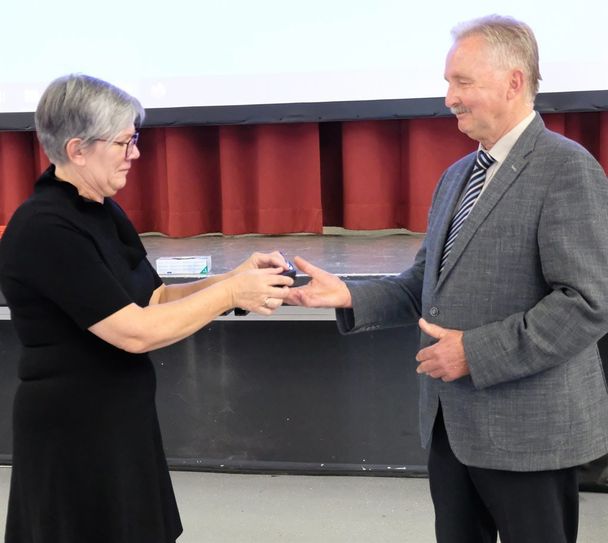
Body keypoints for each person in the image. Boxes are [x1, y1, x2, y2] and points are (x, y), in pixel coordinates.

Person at [286, 14, 608, 543]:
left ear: (513, 82)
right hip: (450, 428)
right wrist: (347, 294)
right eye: (447, 82)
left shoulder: (567, 169)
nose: (449, 98)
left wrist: (474, 354)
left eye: (463, 82)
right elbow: (424, 285)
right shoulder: (457, 175)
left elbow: (586, 302)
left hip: (530, 433)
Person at [0, 74, 293, 543]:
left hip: (121, 418)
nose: (135, 153)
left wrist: (232, 279)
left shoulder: (100, 208)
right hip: (73, 432)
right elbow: (134, 331)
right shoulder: (45, 229)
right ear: (77, 149)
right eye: (124, 142)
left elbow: (152, 298)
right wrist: (231, 296)